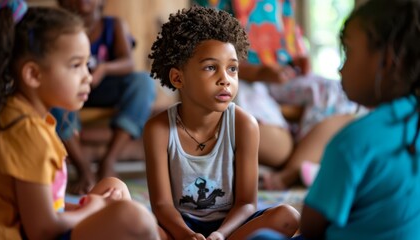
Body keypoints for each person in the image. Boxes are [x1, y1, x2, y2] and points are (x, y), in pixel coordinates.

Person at [248, 0, 420, 239]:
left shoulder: (353, 141)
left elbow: (310, 226)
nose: (340, 68)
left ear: (388, 61)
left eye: (348, 51)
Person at [0, 2, 159, 239]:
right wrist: (91, 210)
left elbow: (46, 208)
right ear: (33, 75)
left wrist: (93, 207)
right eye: (76, 65)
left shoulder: (25, 116)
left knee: (115, 188)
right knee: (136, 220)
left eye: (87, 64)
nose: (87, 76)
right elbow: (42, 228)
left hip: (36, 226)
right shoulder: (25, 132)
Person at [145, 5, 300, 240]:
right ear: (178, 77)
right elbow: (161, 205)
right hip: (179, 228)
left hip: (232, 226)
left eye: (232, 69)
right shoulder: (158, 129)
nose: (225, 80)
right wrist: (186, 235)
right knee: (138, 225)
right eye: (210, 67)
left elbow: (247, 202)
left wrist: (220, 235)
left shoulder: (244, 125)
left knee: (288, 217)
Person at [194, 0, 363, 190]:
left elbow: (290, 38)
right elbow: (206, 52)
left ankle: (288, 173)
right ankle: (300, 163)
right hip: (240, 76)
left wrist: (299, 59)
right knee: (275, 145)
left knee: (336, 92)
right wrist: (259, 73)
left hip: (283, 77)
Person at [51, 0, 157, 194]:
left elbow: (128, 63)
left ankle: (109, 160)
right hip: (71, 91)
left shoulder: (113, 25)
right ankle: (84, 170)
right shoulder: (59, 28)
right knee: (51, 92)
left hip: (104, 88)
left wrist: (104, 69)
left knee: (144, 82)